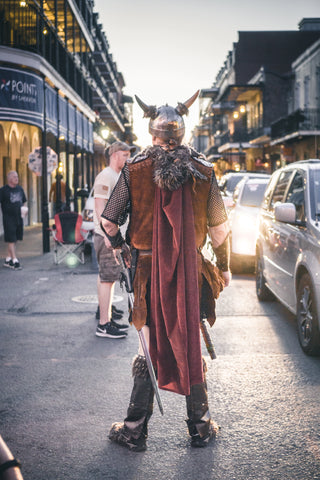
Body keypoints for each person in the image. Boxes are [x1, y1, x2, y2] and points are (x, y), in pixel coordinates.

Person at [100, 91, 231, 451]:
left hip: (146, 272)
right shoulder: (203, 171)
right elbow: (220, 230)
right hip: (190, 271)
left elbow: (109, 221)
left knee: (151, 343)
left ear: (152, 134)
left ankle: (134, 429)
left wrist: (121, 249)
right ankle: (200, 426)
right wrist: (224, 267)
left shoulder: (135, 169)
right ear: (183, 134)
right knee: (189, 335)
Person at [93, 141, 135, 339]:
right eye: (124, 155)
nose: (128, 159)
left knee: (107, 277)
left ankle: (105, 312)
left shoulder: (116, 175)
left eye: (128, 155)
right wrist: (108, 235)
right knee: (108, 279)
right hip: (105, 236)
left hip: (109, 235)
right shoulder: (106, 176)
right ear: (114, 155)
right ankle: (103, 325)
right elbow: (100, 207)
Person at [0, 171, 27, 270]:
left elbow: (23, 201)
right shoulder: (3, 190)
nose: (17, 178)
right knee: (11, 239)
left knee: (15, 239)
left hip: (19, 217)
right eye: (15, 177)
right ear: (9, 179)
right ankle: (14, 260)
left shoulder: (20, 189)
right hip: (8, 218)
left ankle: (8, 259)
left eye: (17, 176)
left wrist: (24, 210)